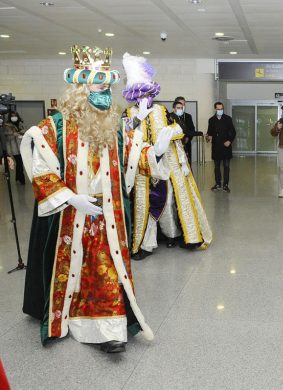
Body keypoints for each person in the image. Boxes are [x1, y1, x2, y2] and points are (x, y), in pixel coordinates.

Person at [19, 45, 165, 353]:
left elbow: (132, 157)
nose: (104, 89)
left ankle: (110, 331)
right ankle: (74, 318)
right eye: (97, 82)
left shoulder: (113, 127)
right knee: (77, 271)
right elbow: (40, 170)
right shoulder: (54, 127)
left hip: (108, 216)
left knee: (106, 269)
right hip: (72, 217)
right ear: (80, 86)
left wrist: (156, 149)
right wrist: (72, 199)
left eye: (107, 83)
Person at [122, 53, 212, 258]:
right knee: (143, 204)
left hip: (167, 164)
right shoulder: (128, 114)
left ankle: (173, 235)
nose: (145, 98)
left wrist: (171, 133)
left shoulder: (162, 110)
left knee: (171, 200)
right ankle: (145, 244)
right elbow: (124, 138)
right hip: (142, 167)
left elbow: (179, 129)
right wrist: (137, 122)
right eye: (140, 94)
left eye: (147, 93)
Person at [206, 101, 236, 193]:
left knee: (226, 166)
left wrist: (229, 141)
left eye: (221, 109)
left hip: (226, 147)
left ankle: (225, 185)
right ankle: (218, 183)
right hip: (216, 147)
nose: (220, 110)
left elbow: (233, 132)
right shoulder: (211, 120)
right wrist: (207, 137)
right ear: (215, 109)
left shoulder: (228, 119)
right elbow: (209, 133)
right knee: (217, 167)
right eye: (218, 109)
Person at [169, 97, 202, 164]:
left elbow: (191, 129)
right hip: (174, 146)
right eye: (180, 105)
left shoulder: (188, 116)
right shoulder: (169, 117)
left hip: (186, 145)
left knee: (188, 165)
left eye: (184, 105)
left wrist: (188, 138)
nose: (182, 107)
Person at [3, 112, 25, 184]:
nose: (14, 117)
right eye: (12, 116)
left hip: (21, 147)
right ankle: (22, 179)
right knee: (19, 163)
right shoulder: (7, 125)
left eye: (15, 116)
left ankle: (17, 178)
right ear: (10, 117)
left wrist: (22, 132)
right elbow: (7, 135)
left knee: (19, 163)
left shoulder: (21, 123)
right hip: (14, 147)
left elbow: (25, 130)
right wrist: (14, 134)